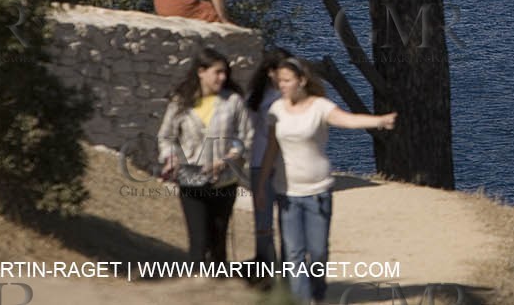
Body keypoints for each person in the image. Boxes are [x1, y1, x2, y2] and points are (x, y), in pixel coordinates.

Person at [258, 56, 397, 304]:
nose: (282, 85)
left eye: (287, 80)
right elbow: (271, 149)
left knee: (318, 252)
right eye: (280, 81)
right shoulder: (276, 110)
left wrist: (379, 120)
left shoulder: (320, 107)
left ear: (302, 80)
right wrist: (261, 186)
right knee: (293, 253)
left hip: (317, 192)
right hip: (287, 192)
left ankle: (318, 294)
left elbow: (347, 120)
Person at [157, 47, 252, 266]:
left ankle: (219, 285)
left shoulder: (233, 102)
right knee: (198, 243)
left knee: (218, 244)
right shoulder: (181, 102)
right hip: (191, 180)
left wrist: (227, 159)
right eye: (217, 72)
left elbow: (247, 137)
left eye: (225, 72)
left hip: (224, 182)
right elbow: (166, 137)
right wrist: (170, 157)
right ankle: (197, 284)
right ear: (201, 72)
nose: (222, 77)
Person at [245, 44, 290, 272]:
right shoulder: (256, 98)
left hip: (288, 166)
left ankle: (289, 269)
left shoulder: (295, 97)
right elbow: (246, 130)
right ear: (270, 71)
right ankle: (265, 268)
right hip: (260, 163)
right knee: (263, 222)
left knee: (289, 221)